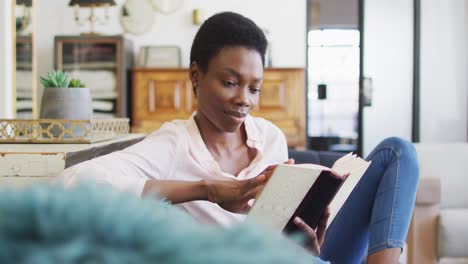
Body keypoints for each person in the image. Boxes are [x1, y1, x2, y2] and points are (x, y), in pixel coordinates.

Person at [59, 12, 419, 264]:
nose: (244, 99)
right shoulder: (173, 144)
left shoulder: (270, 137)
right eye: (230, 83)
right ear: (196, 76)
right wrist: (209, 189)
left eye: (254, 88)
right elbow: (72, 181)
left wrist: (306, 242)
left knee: (397, 152)